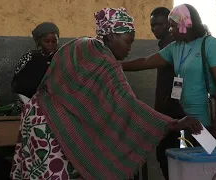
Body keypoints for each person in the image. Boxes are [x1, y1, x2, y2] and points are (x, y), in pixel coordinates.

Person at [10, 7, 202, 180]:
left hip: (34, 115)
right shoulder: (107, 62)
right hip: (52, 127)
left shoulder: (79, 45)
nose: (129, 48)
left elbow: (56, 83)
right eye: (127, 42)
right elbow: (128, 104)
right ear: (110, 37)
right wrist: (172, 123)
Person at [121, 4, 216, 145]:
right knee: (191, 162)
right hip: (188, 121)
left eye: (173, 26)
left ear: (186, 24)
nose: (170, 30)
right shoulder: (175, 47)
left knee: (208, 161)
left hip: (207, 120)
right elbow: (146, 62)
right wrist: (115, 65)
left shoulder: (209, 44)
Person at [150, 7, 185, 180]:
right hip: (169, 110)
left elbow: (179, 78)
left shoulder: (172, 45)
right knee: (168, 154)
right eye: (152, 25)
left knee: (166, 154)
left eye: (159, 24)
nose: (155, 28)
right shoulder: (166, 44)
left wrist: (172, 102)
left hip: (171, 110)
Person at [11, 22, 59, 112]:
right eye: (46, 41)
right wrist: (31, 105)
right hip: (28, 105)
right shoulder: (29, 58)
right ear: (39, 41)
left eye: (54, 41)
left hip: (53, 108)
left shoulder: (61, 58)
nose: (51, 44)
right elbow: (19, 87)